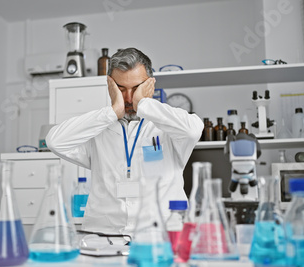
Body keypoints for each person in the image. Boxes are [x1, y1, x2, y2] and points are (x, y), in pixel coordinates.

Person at [46, 48, 203, 235]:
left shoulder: (167, 126)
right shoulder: (98, 127)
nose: (129, 98)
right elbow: (55, 141)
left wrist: (144, 104)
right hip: (103, 235)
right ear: (110, 86)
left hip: (160, 234)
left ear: (151, 83)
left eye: (136, 88)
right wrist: (112, 112)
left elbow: (194, 130)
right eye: (121, 89)